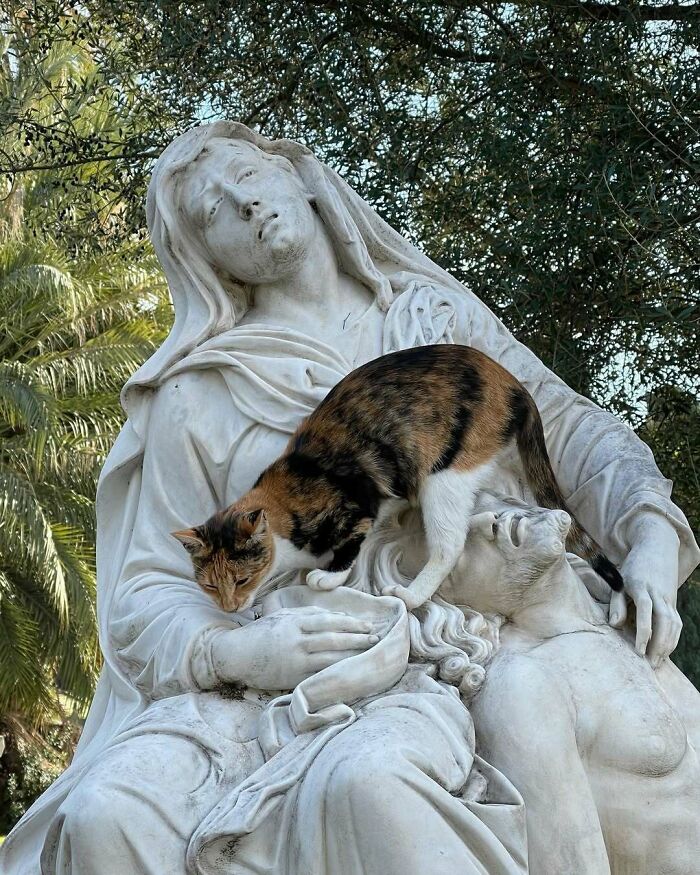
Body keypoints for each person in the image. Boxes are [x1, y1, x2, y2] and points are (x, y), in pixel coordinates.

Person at [1, 120, 697, 874]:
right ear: (206, 261)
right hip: (276, 679)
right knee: (108, 811)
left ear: (298, 174)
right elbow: (146, 593)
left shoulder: (430, 313)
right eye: (211, 213)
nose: (243, 204)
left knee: (371, 780)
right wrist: (238, 649)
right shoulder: (199, 396)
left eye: (248, 174)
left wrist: (648, 528)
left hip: (472, 632)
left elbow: (568, 427)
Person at [445, 497, 700, 875]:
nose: (486, 520)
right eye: (453, 545)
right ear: (456, 603)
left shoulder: (629, 625)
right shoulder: (520, 686)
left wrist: (654, 539)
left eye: (477, 500)